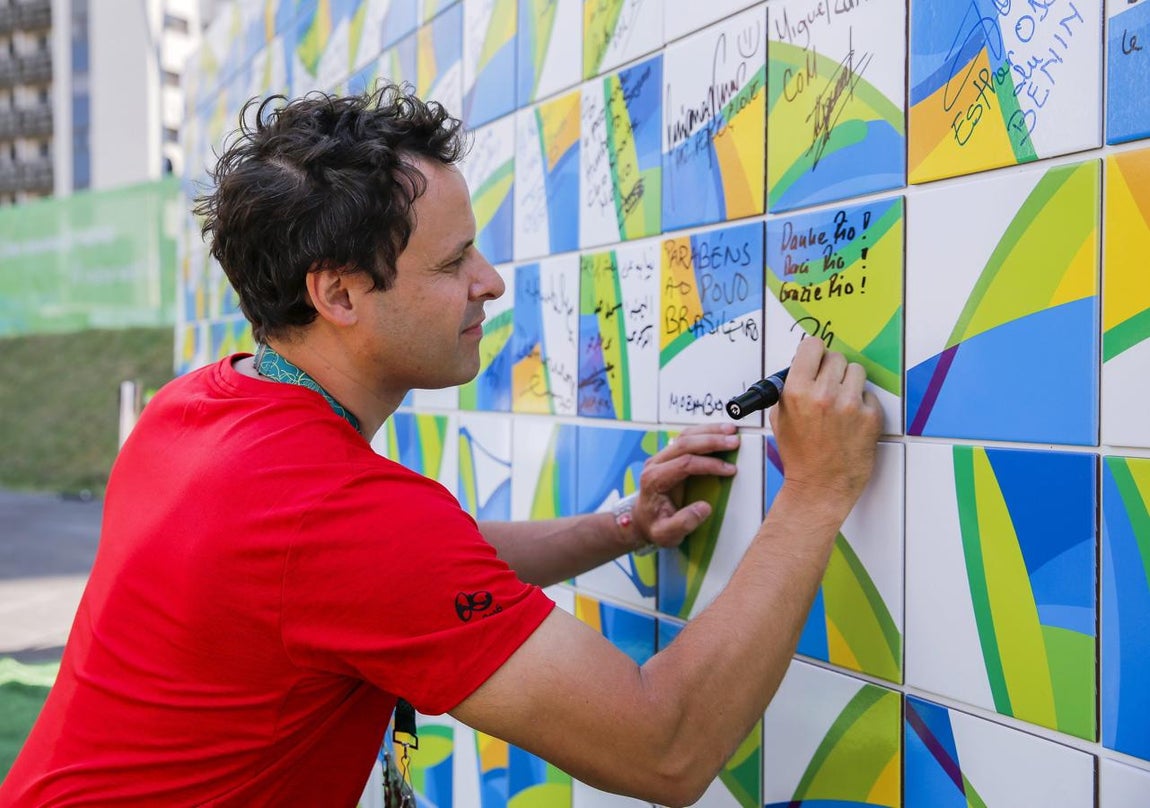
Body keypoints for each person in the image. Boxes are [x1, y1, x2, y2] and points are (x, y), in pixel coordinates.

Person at [0, 85, 882, 807]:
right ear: (339, 295)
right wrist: (813, 494)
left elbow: (390, 578)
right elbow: (665, 747)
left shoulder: (198, 408)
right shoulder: (336, 516)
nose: (490, 283)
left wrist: (618, 527)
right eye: (454, 262)